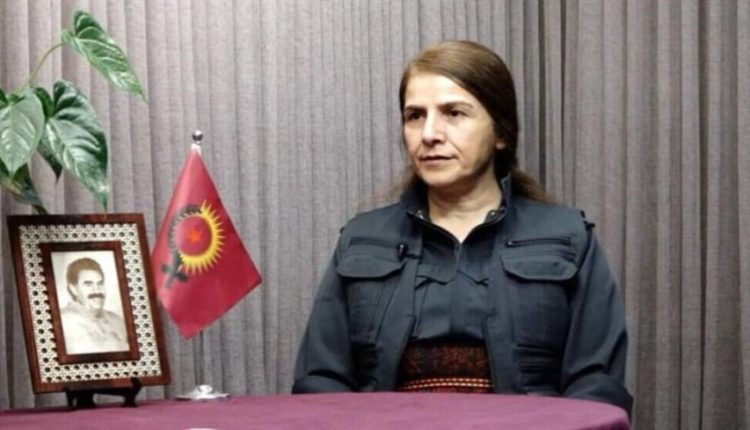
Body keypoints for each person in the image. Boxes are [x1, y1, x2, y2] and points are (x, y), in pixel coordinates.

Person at [292, 40, 632, 414]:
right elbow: (320, 381)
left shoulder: (569, 238)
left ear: (501, 132)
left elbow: (597, 386)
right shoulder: (361, 240)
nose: (429, 134)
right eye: (415, 116)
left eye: (453, 113)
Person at [59, 257, 129, 354]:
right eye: (88, 284)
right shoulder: (65, 321)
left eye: (100, 284)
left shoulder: (117, 320)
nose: (97, 290)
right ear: (73, 289)